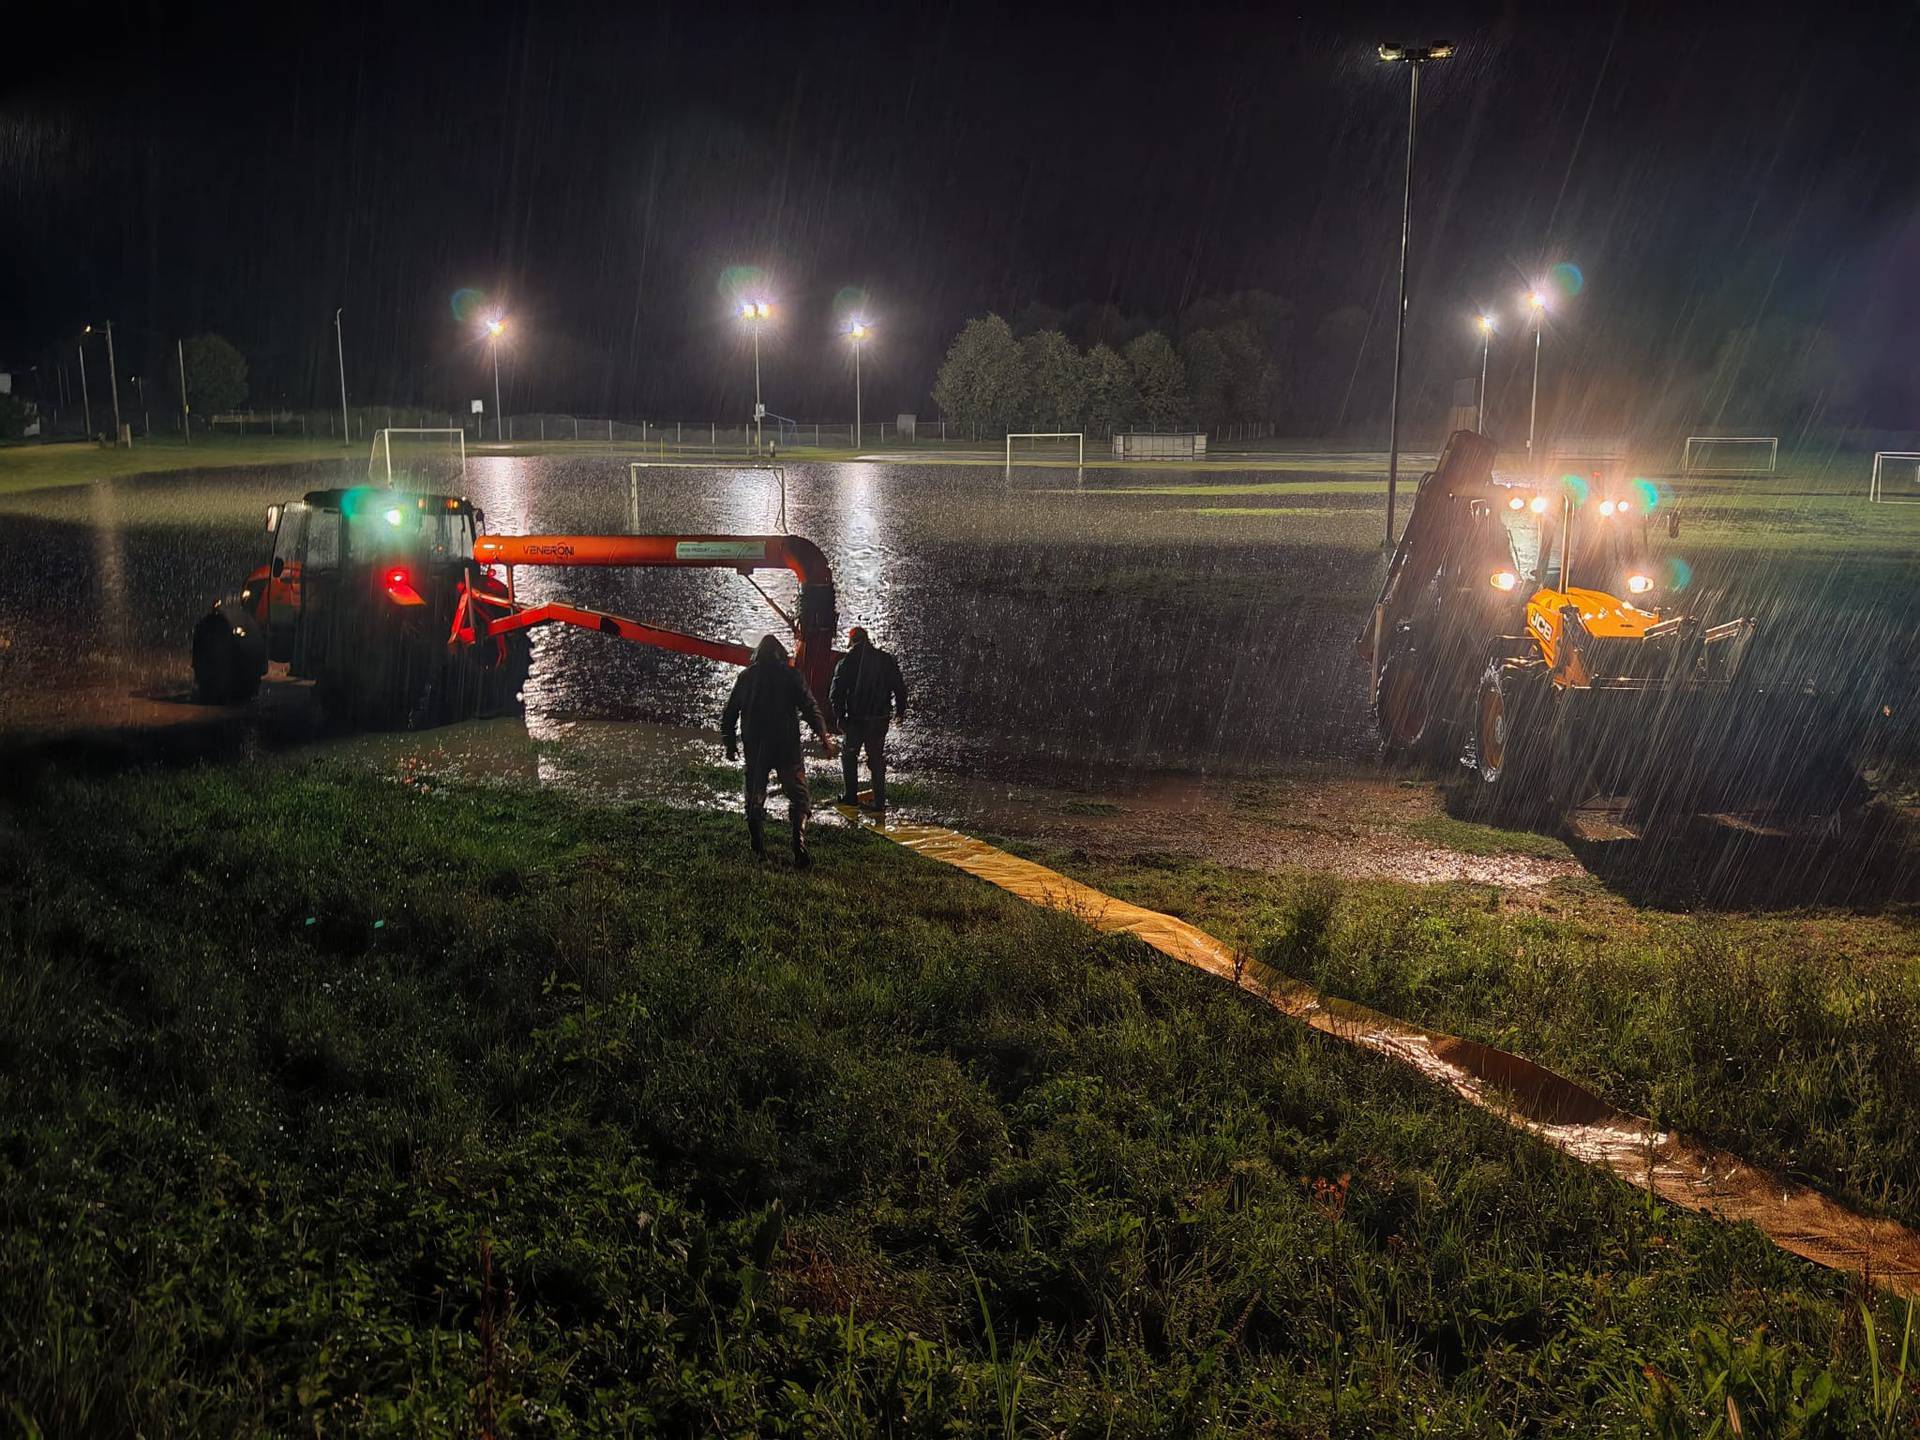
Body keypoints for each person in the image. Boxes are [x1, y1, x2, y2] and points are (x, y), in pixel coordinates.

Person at [722, 634, 835, 866]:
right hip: (787, 746)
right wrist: (824, 738)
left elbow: (730, 712)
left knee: (754, 794)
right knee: (799, 797)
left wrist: (730, 743)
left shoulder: (746, 678)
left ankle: (758, 847)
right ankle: (798, 844)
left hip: (756, 746)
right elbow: (810, 708)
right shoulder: (792, 676)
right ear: (782, 655)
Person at [830, 625, 908, 809]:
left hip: (856, 719)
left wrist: (840, 717)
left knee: (849, 755)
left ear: (852, 642)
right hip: (880, 718)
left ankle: (850, 797)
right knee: (876, 758)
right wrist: (900, 711)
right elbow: (899, 687)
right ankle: (880, 801)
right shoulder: (885, 659)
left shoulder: (846, 662)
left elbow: (836, 693)